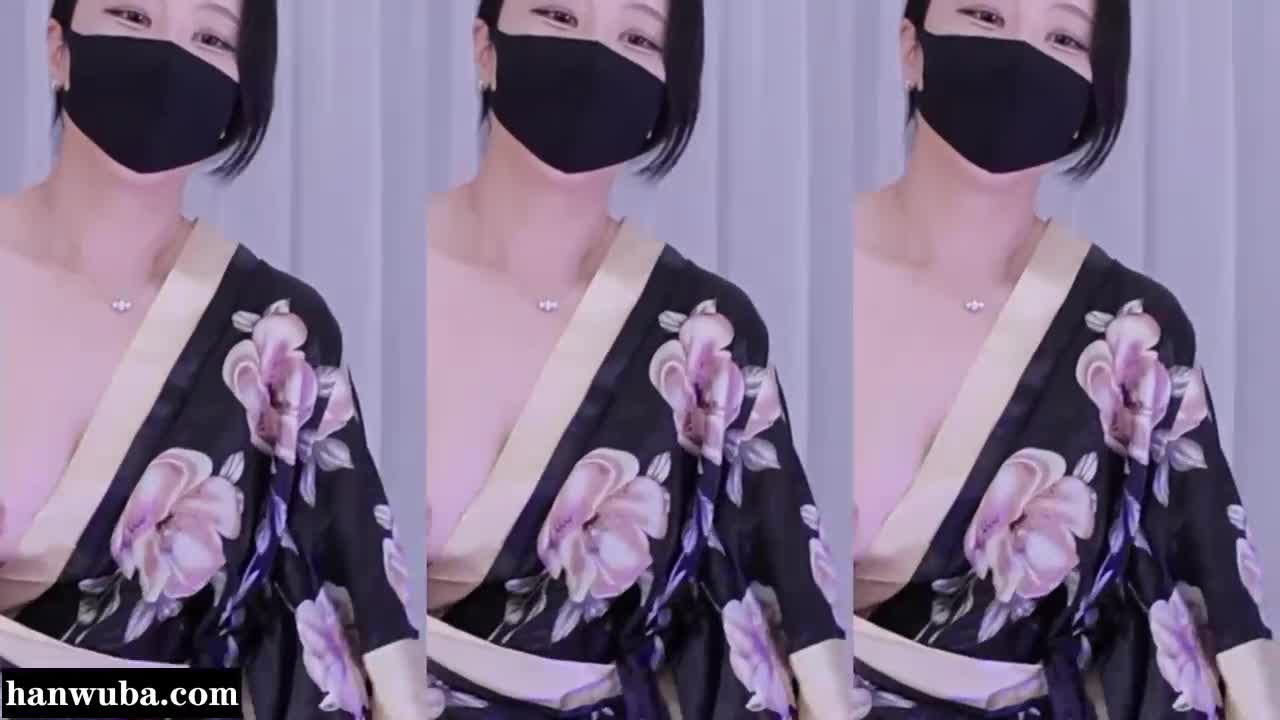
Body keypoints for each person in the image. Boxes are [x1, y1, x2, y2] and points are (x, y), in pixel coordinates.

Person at [0, 1, 426, 717]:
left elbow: (356, 609)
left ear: (241, 88)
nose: (168, 59)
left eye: (210, 36)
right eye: (132, 14)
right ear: (58, 47)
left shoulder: (278, 335)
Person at [851, 0, 1275, 717]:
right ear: (912, 48)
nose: (1021, 58)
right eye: (985, 15)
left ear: (1093, 91)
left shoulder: (1131, 337)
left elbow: (1214, 618)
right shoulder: (784, 286)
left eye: (1064, 36)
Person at [424, 0, 847, 717]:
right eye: (558, 14)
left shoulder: (706, 334)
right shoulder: (354, 291)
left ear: (667, 88)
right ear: (485, 47)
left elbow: (786, 608)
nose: (594, 58)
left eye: (637, 37)